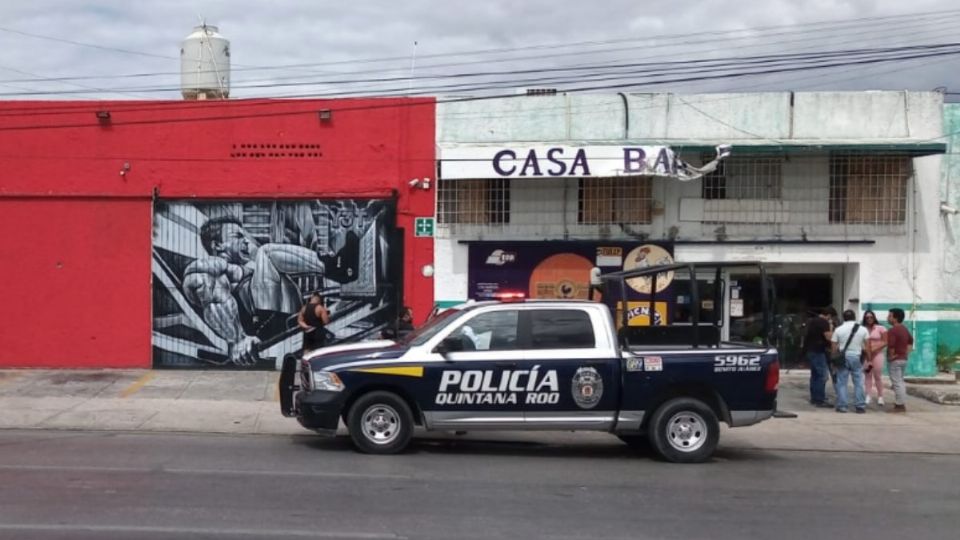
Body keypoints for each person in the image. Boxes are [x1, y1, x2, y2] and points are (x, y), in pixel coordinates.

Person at [831, 309, 870, 413]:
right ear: (854, 317)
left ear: (843, 318)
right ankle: (860, 406)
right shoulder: (863, 330)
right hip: (857, 357)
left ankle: (842, 406)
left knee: (842, 382)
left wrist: (833, 360)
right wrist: (869, 360)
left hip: (843, 358)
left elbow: (834, 347)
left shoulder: (838, 329)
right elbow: (867, 346)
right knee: (858, 382)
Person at [802, 308, 834, 408]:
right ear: (828, 315)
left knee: (815, 375)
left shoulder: (812, 321)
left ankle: (814, 397)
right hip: (819, 351)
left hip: (810, 350)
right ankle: (820, 399)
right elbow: (828, 337)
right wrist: (831, 327)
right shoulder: (824, 322)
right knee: (822, 375)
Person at [886, 308, 914, 413]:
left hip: (896, 360)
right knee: (900, 382)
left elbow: (891, 345)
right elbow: (911, 341)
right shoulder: (904, 329)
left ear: (895, 318)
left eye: (890, 316)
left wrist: (891, 356)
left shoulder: (893, 330)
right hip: (903, 359)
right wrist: (905, 352)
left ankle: (900, 405)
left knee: (897, 383)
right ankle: (900, 402)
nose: (888, 318)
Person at [862, 310, 887, 406]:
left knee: (877, 376)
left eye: (871, 317)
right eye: (867, 317)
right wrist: (866, 350)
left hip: (877, 354)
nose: (869, 319)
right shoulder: (863, 328)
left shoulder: (881, 328)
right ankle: (868, 395)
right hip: (866, 355)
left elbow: (885, 342)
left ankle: (880, 396)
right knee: (867, 375)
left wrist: (873, 349)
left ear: (874, 317)